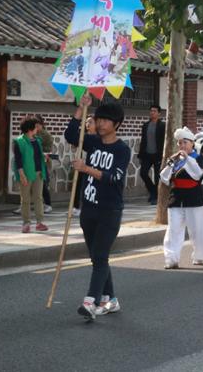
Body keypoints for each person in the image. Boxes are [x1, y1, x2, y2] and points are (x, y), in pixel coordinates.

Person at [66, 94, 130, 320]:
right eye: (98, 119)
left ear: (117, 124)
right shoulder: (92, 142)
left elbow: (115, 177)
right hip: (89, 208)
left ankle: (90, 302)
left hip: (109, 210)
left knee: (100, 257)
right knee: (97, 256)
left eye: (105, 120)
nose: (100, 123)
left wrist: (86, 169)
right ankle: (110, 300)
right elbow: (71, 135)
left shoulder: (122, 150)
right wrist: (81, 108)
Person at [160, 127, 203, 269]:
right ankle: (171, 258)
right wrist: (171, 164)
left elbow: (197, 174)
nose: (182, 146)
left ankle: (199, 255)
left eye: (185, 142)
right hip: (176, 197)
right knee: (174, 230)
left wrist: (187, 158)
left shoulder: (199, 158)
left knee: (197, 230)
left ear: (192, 144)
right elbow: (164, 178)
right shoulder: (175, 159)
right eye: (179, 143)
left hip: (194, 198)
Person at [13, 116, 49, 233]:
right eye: (35, 127)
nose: (37, 129)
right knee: (25, 199)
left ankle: (40, 222)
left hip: (39, 173)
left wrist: (44, 157)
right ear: (29, 129)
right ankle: (26, 223)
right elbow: (18, 160)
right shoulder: (19, 141)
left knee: (38, 198)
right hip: (26, 174)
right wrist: (21, 175)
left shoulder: (37, 140)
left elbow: (37, 155)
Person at [139, 105, 166, 205]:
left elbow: (164, 141)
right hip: (147, 154)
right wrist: (140, 155)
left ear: (159, 113)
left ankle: (155, 197)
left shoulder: (162, 126)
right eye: (151, 111)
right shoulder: (145, 125)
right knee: (143, 173)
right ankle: (153, 191)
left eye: (154, 111)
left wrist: (164, 155)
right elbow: (143, 141)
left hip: (158, 155)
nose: (152, 113)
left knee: (157, 177)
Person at [34, 117, 55, 213]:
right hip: (33, 162)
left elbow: (48, 149)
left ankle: (48, 204)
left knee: (43, 183)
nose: (36, 126)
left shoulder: (46, 135)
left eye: (38, 124)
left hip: (44, 162)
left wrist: (39, 149)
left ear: (42, 124)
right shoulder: (32, 134)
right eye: (35, 124)